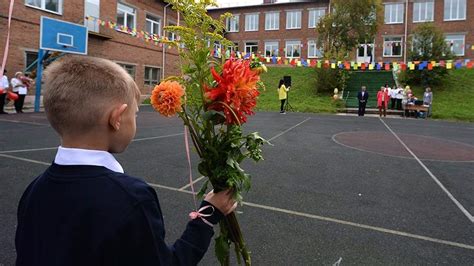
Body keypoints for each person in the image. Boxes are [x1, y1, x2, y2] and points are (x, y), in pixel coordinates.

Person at [15, 56, 237, 265]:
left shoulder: (33, 190)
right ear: (117, 118)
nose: (135, 121)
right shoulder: (131, 197)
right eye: (135, 114)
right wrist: (208, 215)